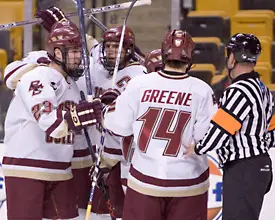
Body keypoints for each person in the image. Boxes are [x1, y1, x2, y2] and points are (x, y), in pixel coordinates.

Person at [100, 29, 217, 220]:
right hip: (188, 182)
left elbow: (117, 125)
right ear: (190, 58)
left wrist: (108, 108)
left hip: (145, 180)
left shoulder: (139, 84)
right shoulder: (202, 90)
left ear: (164, 53)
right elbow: (207, 137)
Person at [2, 19, 101, 219]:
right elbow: (52, 124)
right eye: (73, 51)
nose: (78, 57)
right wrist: (81, 116)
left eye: (79, 51)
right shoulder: (37, 77)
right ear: (57, 53)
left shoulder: (72, 84)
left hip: (60, 168)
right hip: (27, 167)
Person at [192, 33, 274, 220]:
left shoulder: (238, 90)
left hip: (243, 169)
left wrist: (198, 147)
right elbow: (272, 132)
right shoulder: (263, 90)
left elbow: (221, 130)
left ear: (234, 57)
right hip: (259, 165)